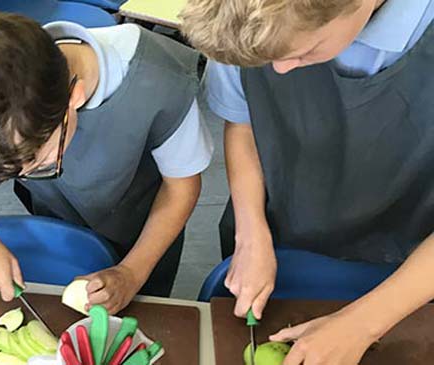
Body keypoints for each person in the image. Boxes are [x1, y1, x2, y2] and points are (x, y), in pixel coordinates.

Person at [0, 12, 212, 313]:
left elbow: (180, 186)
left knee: (143, 315)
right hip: (60, 227)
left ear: (73, 98)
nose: (26, 175)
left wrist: (132, 272)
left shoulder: (160, 81)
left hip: (143, 231)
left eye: (39, 163)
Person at [181, 0, 434, 363]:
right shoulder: (243, 23)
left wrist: (362, 324)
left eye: (304, 52)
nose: (280, 71)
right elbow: (243, 122)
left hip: (412, 266)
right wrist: (251, 232)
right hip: (286, 229)